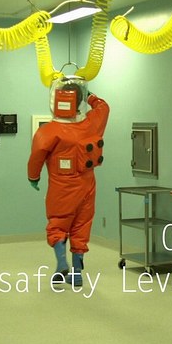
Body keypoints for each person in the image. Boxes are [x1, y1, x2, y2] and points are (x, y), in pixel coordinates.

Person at [27, 76, 109, 286]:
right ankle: (77, 273)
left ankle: (62, 262)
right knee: (82, 226)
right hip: (87, 186)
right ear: (80, 100)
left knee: (58, 224)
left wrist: (33, 177)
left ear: (56, 99)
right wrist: (90, 96)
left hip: (61, 187)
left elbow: (36, 158)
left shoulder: (48, 132)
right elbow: (103, 107)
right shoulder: (91, 124)